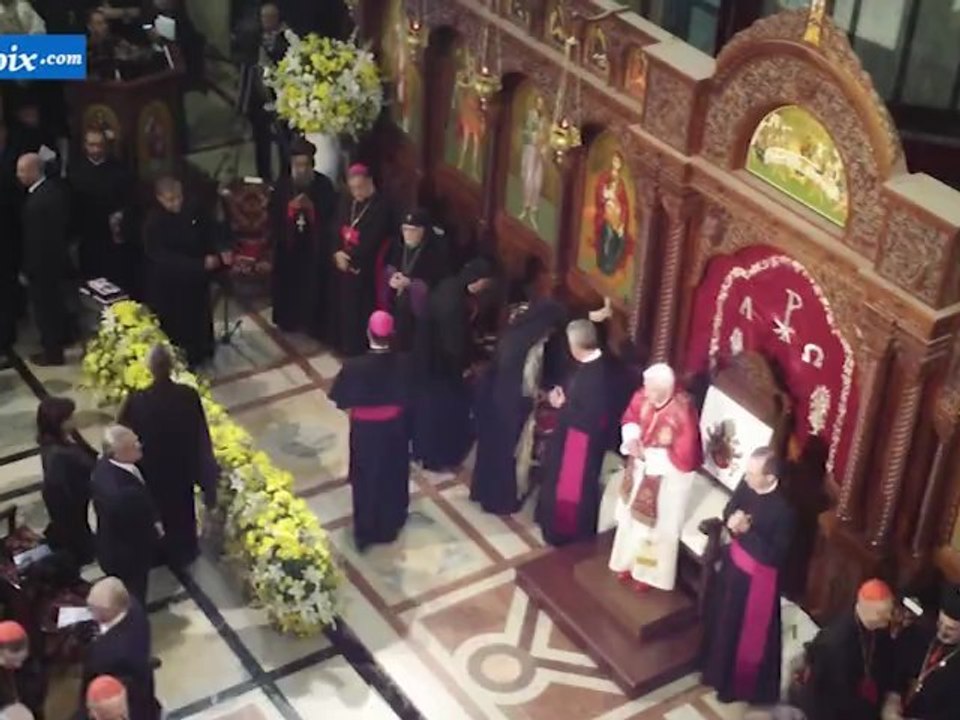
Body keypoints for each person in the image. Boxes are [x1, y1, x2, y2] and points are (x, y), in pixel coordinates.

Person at [701, 447, 796, 706]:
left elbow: (775, 556)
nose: (746, 477)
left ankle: (735, 687)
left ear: (770, 477)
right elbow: (730, 507)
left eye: (753, 474)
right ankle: (714, 673)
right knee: (723, 624)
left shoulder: (784, 511)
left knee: (742, 635)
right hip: (733, 570)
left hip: (757, 583)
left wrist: (746, 530)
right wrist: (732, 517)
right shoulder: (747, 486)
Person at [117, 345, 217, 568]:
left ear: (150, 368)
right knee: (182, 509)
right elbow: (201, 434)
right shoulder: (188, 395)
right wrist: (207, 478)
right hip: (182, 467)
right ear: (171, 367)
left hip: (152, 469)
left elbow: (121, 431)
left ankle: (160, 551)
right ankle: (186, 549)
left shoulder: (138, 400)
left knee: (158, 512)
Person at [608, 363, 702, 593]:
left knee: (653, 531)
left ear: (663, 391)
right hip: (641, 467)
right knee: (631, 522)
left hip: (667, 480)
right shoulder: (644, 395)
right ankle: (627, 562)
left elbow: (686, 458)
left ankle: (646, 572)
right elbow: (630, 416)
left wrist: (649, 458)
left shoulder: (682, 413)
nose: (644, 392)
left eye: (649, 389)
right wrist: (631, 439)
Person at [471, 298, 567, 515]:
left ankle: (486, 492)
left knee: (492, 452)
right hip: (510, 408)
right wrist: (541, 396)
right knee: (510, 454)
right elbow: (526, 384)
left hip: (497, 403)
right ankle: (501, 500)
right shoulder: (528, 349)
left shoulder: (515, 336)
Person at [329, 311, 411, 551]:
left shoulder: (354, 367)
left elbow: (340, 399)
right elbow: (410, 397)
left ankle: (366, 531)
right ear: (391, 335)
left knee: (366, 479)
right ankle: (391, 523)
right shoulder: (404, 363)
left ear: (368, 334)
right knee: (392, 475)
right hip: (394, 430)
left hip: (365, 431)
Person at [411, 257, 494, 472]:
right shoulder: (454, 305)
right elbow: (453, 346)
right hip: (440, 369)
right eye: (484, 285)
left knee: (427, 410)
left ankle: (423, 450)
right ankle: (438, 458)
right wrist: (467, 366)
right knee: (442, 414)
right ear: (476, 282)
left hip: (427, 361)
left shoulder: (449, 285)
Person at [535, 319, 613, 546]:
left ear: (574, 346)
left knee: (569, 492)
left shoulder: (595, 376)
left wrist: (561, 405)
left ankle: (562, 534)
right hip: (574, 438)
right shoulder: (595, 366)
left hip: (578, 443)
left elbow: (589, 417)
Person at [142, 176, 227, 367]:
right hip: (171, 284)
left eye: (178, 197)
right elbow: (162, 257)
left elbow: (207, 232)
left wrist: (213, 253)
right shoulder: (153, 223)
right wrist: (197, 265)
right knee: (178, 326)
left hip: (195, 281)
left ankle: (203, 350)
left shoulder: (193, 209)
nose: (176, 203)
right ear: (160, 199)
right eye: (170, 199)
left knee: (200, 317)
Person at [789, 578, 896, 720]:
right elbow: (835, 694)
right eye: (881, 613)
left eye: (889, 612)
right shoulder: (837, 642)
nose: (888, 618)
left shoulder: (879, 628)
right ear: (865, 608)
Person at [269, 136, 336, 337]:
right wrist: (290, 211)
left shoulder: (324, 185)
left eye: (306, 165)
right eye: (298, 165)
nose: (302, 169)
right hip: (289, 247)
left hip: (314, 248)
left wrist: (312, 210)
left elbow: (332, 218)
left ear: (312, 164)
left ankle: (313, 323)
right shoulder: (282, 186)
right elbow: (273, 218)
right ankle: (289, 320)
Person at [90, 426, 162, 604]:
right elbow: (138, 528)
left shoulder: (104, 466)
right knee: (134, 598)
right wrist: (157, 533)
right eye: (133, 444)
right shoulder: (124, 493)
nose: (139, 445)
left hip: (113, 547)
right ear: (117, 453)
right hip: (128, 557)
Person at [330, 164, 393, 356]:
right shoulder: (347, 201)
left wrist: (349, 259)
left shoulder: (382, 207)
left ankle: (356, 348)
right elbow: (335, 228)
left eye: (359, 188)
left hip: (365, 267)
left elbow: (373, 241)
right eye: (353, 188)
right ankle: (339, 342)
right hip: (343, 260)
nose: (356, 193)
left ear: (369, 183)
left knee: (357, 304)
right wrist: (336, 252)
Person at [17, 152, 72, 366]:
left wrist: (27, 269)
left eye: (21, 170)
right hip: (55, 262)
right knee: (53, 307)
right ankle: (56, 344)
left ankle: (52, 352)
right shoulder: (53, 191)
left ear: (33, 171)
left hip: (42, 267)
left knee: (46, 311)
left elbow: (36, 242)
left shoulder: (38, 201)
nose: (18, 175)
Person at [68, 128, 137, 292]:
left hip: (113, 237)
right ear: (85, 145)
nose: (96, 149)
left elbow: (130, 200)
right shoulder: (76, 170)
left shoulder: (119, 170)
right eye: (92, 145)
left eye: (100, 145)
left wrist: (121, 217)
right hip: (88, 236)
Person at [80, 578, 160, 720]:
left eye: (92, 609)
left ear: (107, 612)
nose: (89, 612)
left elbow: (107, 694)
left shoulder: (113, 656)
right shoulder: (131, 605)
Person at [234, 1, 297, 181]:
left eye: (271, 17)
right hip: (259, 99)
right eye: (264, 17)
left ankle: (287, 175)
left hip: (283, 99)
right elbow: (246, 66)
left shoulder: (288, 38)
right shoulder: (252, 38)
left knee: (286, 140)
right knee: (262, 143)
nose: (267, 21)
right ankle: (265, 178)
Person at [883, 583, 960, 719]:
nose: (941, 631)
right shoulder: (919, 633)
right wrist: (892, 698)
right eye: (940, 623)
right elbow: (895, 666)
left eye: (951, 629)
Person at [37, 396, 95, 567]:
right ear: (60, 423)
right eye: (70, 417)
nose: (74, 419)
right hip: (72, 511)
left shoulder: (60, 443)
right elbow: (60, 488)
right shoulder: (59, 455)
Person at [382, 209, 451, 351]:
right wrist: (393, 277)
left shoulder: (435, 249)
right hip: (398, 297)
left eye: (412, 230)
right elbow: (390, 265)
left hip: (421, 308)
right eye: (405, 229)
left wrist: (410, 284)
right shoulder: (399, 243)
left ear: (423, 230)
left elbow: (436, 280)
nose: (407, 234)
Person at [0, 621, 44, 718]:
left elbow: (35, 702)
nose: (18, 665)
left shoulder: (30, 668)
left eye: (21, 660)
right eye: (12, 661)